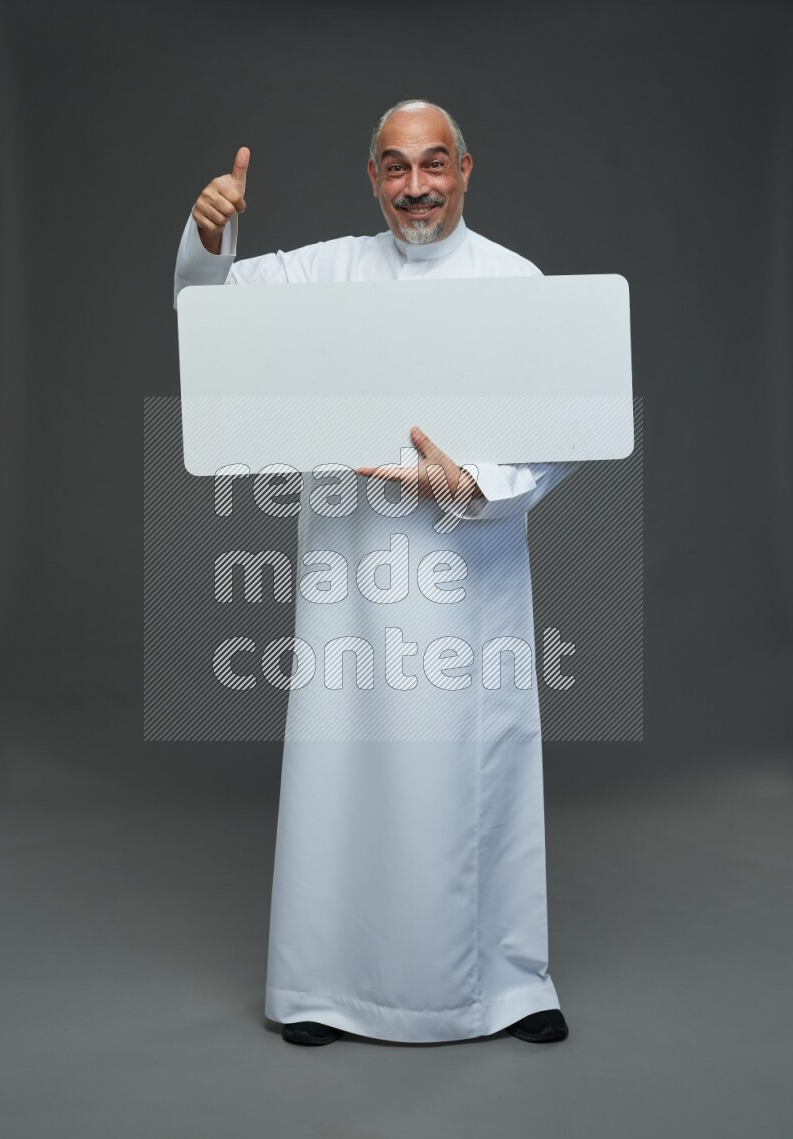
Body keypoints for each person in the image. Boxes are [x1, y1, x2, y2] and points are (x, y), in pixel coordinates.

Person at [174, 100, 579, 1046]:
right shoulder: (324, 271)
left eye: (433, 165)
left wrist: (478, 479)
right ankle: (325, 985)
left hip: (465, 574)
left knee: (476, 768)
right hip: (347, 581)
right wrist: (209, 237)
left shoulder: (516, 283)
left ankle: (506, 985)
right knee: (344, 767)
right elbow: (213, 314)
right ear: (373, 179)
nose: (416, 187)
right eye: (395, 169)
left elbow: (567, 426)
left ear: (467, 170)